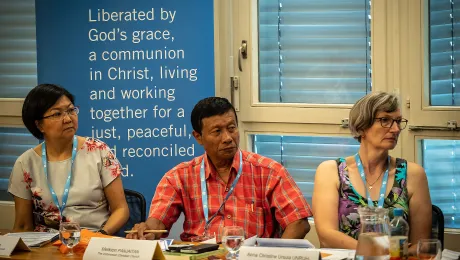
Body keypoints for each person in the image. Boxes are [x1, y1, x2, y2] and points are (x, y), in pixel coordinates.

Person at [127, 97, 311, 241]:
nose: (228, 138)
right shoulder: (178, 177)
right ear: (198, 137)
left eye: (231, 128)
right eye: (217, 132)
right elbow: (157, 222)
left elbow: (299, 223)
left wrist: (274, 255)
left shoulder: (269, 171)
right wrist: (147, 230)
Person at [312, 92, 432, 250]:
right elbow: (327, 236)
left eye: (397, 121)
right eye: (385, 120)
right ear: (362, 127)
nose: (395, 129)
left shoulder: (413, 174)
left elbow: (421, 245)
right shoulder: (331, 171)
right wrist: (376, 252)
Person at [8, 84, 129, 234]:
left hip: (94, 239)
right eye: (57, 114)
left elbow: (121, 209)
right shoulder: (25, 163)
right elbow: (22, 226)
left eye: (71, 110)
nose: (68, 119)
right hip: (46, 246)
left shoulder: (99, 151)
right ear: (39, 125)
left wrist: (100, 236)